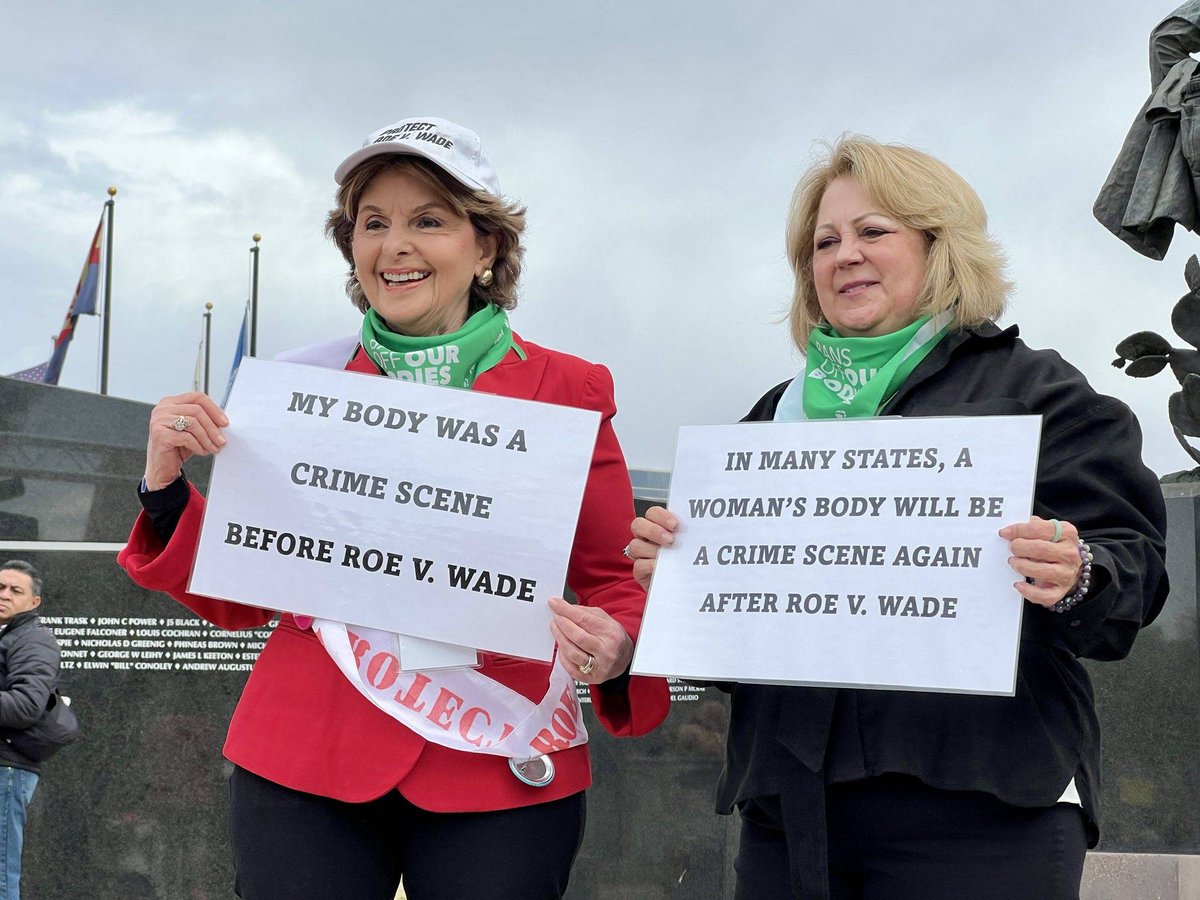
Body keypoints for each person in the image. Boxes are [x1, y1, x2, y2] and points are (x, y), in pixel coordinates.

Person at [118, 117, 668, 900]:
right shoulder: (304, 386)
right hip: (307, 756)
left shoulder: (566, 390)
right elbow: (243, 595)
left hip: (497, 759)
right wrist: (166, 487)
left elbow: (615, 578)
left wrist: (618, 645)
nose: (394, 245)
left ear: (486, 246)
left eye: (428, 221)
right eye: (372, 223)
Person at [628, 136, 1168, 900]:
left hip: (982, 808)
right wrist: (681, 585)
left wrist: (1080, 573)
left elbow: (1134, 570)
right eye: (824, 242)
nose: (845, 255)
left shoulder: (1035, 391)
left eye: (872, 231)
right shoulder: (771, 420)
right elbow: (731, 653)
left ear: (939, 247)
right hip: (790, 813)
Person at [0, 561, 60, 900]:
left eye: (15, 590)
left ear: (34, 602)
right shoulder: (8, 636)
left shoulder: (33, 639)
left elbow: (26, 705)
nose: (4, 595)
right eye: (0, 587)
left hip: (6, 770)